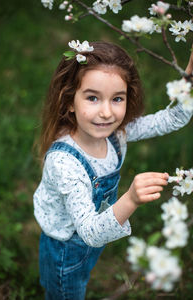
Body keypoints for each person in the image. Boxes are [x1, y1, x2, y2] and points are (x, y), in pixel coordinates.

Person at [33, 40, 193, 300]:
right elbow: (90, 233)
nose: (107, 112)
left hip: (97, 232)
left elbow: (173, 118)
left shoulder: (116, 134)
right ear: (69, 100)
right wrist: (130, 199)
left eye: (117, 98)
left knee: (81, 277)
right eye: (93, 97)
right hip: (66, 248)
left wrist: (190, 79)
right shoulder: (64, 163)